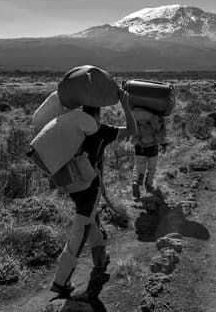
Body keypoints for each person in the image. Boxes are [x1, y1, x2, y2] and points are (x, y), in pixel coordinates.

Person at [51, 89, 138, 299]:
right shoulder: (100, 130)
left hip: (73, 185)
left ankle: (100, 260)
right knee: (80, 231)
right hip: (90, 188)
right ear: (98, 113)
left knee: (93, 222)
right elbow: (132, 130)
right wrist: (125, 103)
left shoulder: (71, 126)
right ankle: (60, 282)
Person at [131, 110, 167, 199]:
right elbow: (163, 133)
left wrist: (140, 140)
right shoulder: (158, 114)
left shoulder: (135, 115)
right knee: (152, 168)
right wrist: (163, 144)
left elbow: (132, 135)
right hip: (153, 146)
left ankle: (136, 181)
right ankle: (148, 185)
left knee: (139, 166)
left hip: (139, 147)